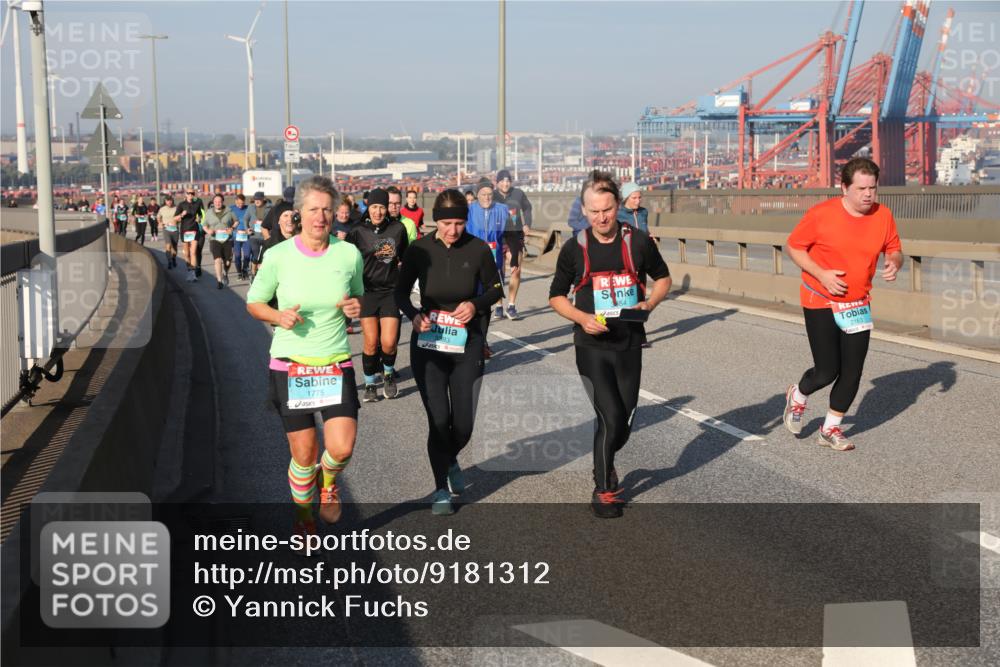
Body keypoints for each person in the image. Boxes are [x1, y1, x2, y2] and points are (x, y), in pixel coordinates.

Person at [548, 170, 671, 519]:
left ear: (617, 205)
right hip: (591, 344)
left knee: (624, 423)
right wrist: (581, 318)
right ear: (584, 211)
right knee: (610, 415)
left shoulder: (639, 241)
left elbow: (663, 278)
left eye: (607, 209)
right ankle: (603, 489)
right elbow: (555, 296)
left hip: (630, 342)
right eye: (594, 211)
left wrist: (649, 304)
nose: (601, 218)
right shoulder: (575, 248)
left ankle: (606, 461)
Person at [246, 176, 363, 540]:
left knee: (341, 447)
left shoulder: (348, 254)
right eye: (313, 209)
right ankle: (303, 520)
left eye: (327, 209)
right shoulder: (279, 255)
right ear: (299, 213)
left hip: (335, 361)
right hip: (291, 365)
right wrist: (278, 316)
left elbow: (357, 298)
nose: (321, 216)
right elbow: (254, 303)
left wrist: (355, 308)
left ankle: (327, 484)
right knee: (304, 455)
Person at [782, 157, 902, 452]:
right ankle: (798, 395)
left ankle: (830, 428)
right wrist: (822, 274)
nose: (868, 195)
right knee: (827, 371)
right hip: (820, 298)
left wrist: (893, 263)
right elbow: (794, 246)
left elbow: (895, 248)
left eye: (872, 188)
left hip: (858, 302)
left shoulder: (883, 215)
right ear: (844, 188)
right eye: (861, 188)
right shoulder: (822, 214)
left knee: (853, 371)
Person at [395, 189, 503, 515]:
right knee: (439, 421)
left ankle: (450, 458)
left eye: (458, 223)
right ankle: (441, 487)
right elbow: (400, 292)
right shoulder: (419, 250)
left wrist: (475, 303)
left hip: (466, 343)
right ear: (435, 222)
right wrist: (414, 315)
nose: (453, 230)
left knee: (464, 425)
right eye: (446, 223)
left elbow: (496, 288)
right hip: (428, 344)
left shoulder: (479, 249)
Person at [345, 188, 409, 402]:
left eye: (382, 207)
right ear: (368, 208)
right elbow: (345, 263)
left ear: (388, 208)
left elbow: (406, 260)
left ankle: (389, 374)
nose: (378, 211)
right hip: (366, 293)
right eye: (374, 207)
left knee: (389, 342)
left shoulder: (398, 229)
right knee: (371, 342)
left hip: (390, 292)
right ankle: (370, 384)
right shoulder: (357, 231)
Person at [466, 178, 515, 357]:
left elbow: (511, 234)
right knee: (472, 300)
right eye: (483, 194)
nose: (487, 197)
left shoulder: (502, 210)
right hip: (471, 263)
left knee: (486, 303)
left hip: (494, 263)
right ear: (476, 195)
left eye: (489, 194)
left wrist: (513, 253)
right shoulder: (469, 211)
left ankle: (482, 340)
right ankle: (472, 339)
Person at [494, 169, 533, 319]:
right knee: (498, 273)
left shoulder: (518, 194)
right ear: (497, 182)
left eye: (508, 180)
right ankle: (498, 305)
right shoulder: (492, 195)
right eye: (502, 181)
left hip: (515, 237)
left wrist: (527, 224)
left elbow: (527, 208)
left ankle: (511, 306)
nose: (505, 183)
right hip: (497, 238)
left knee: (516, 270)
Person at [203, 193, 237, 289]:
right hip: (214, 239)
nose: (218, 203)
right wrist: (208, 231)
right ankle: (219, 280)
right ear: (213, 202)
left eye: (219, 201)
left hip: (227, 239)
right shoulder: (209, 212)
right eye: (216, 201)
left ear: (222, 202)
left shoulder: (229, 211)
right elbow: (204, 225)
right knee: (217, 260)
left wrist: (232, 228)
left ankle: (225, 272)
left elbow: (236, 221)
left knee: (227, 261)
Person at [176, 190, 203, 282]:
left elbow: (200, 214)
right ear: (186, 194)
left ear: (194, 195)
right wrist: (181, 214)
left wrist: (199, 219)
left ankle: (193, 274)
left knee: (193, 252)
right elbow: (175, 218)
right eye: (188, 193)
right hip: (185, 230)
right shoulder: (181, 204)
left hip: (194, 229)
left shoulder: (197, 203)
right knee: (187, 254)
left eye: (192, 193)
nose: (190, 195)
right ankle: (189, 271)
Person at [246, 191, 272, 282]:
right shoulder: (250, 207)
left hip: (265, 236)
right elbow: (246, 218)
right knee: (256, 255)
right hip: (254, 236)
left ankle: (260, 273)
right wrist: (247, 229)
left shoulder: (270, 208)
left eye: (259, 199)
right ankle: (253, 273)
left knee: (263, 257)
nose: (256, 201)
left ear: (263, 199)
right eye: (255, 199)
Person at [230, 193, 252, 280]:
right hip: (236, 236)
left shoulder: (248, 208)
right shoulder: (231, 208)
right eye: (238, 203)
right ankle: (239, 272)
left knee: (247, 255)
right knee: (238, 256)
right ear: (235, 201)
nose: (240, 205)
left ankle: (245, 270)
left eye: (242, 203)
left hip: (246, 235)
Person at [157, 195, 180, 269]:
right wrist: (160, 223)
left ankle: (173, 258)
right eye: (167, 200)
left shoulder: (176, 208)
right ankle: (169, 261)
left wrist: (177, 221)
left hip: (175, 230)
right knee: (168, 245)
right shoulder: (162, 209)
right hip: (166, 229)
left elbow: (180, 218)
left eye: (170, 200)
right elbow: (158, 217)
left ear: (172, 201)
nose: (169, 202)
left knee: (174, 247)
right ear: (165, 201)